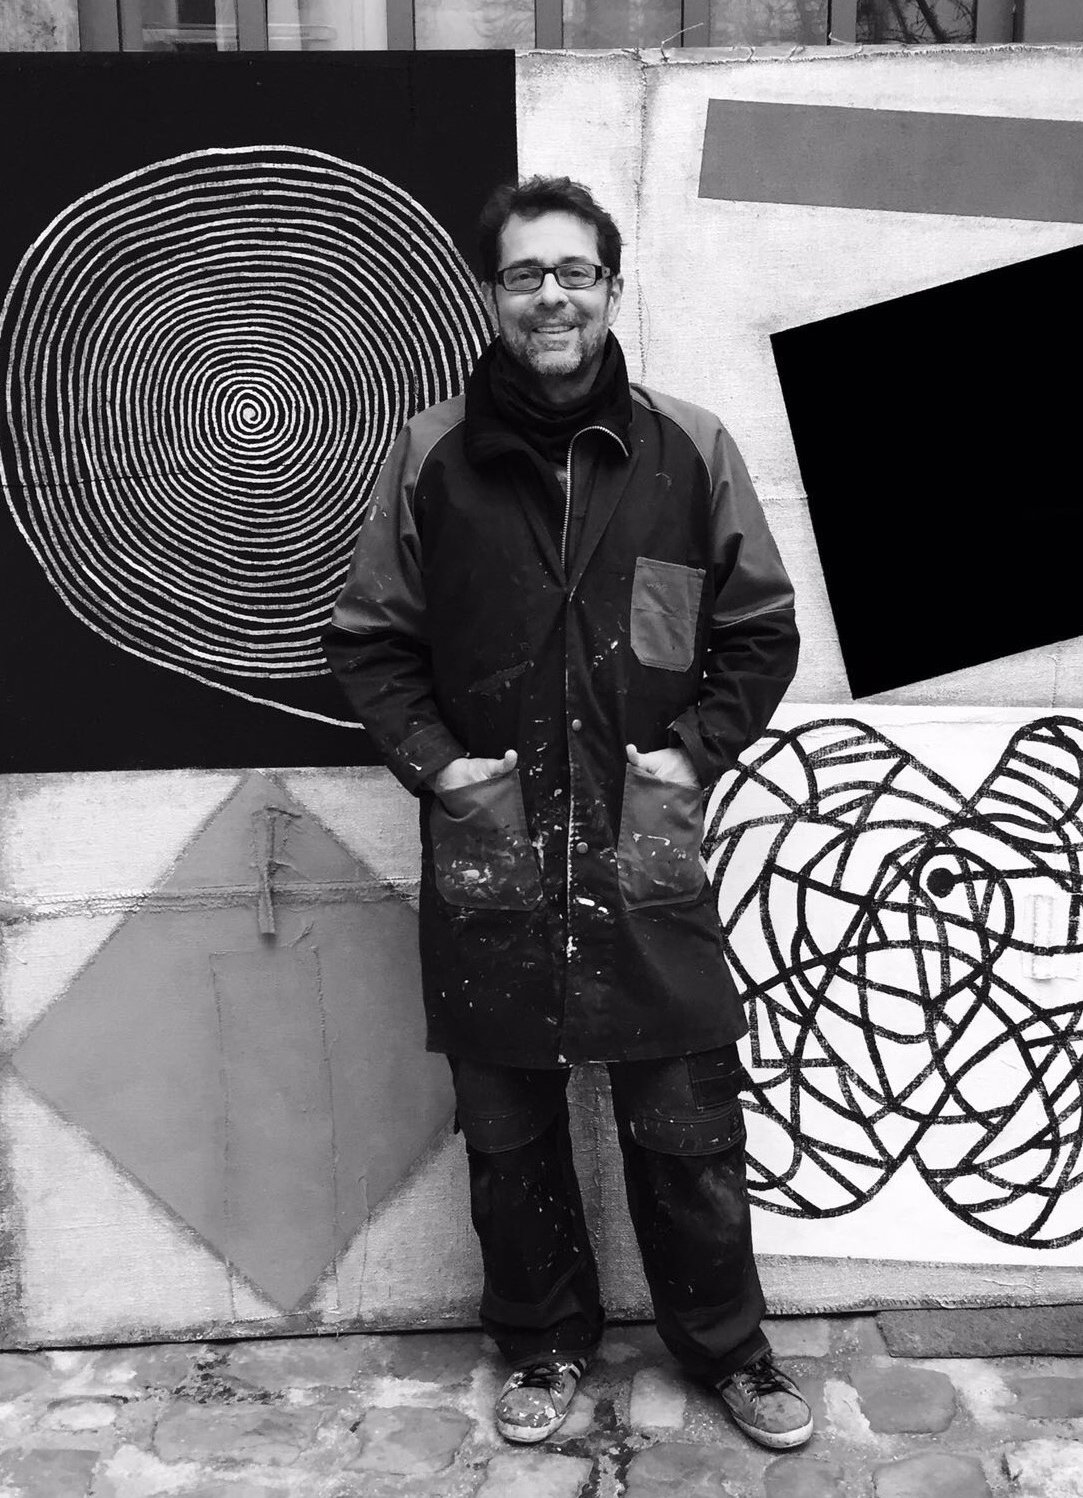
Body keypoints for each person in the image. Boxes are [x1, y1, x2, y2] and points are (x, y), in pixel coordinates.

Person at [323, 176, 809, 1450]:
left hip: (642, 848)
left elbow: (757, 631)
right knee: (507, 1129)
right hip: (493, 852)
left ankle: (729, 1348)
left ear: (611, 286)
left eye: (575, 272)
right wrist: (442, 769)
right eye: (525, 273)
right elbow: (369, 641)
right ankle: (541, 1339)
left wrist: (690, 756)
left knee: (688, 1122)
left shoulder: (687, 449)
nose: (552, 296)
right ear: (492, 294)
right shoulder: (430, 455)